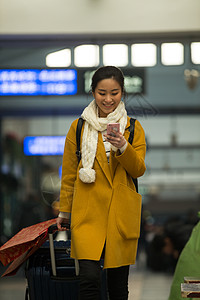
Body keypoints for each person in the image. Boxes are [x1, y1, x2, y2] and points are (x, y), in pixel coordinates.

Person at [57, 66, 146, 300]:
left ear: (122, 93)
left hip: (120, 213)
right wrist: (65, 210)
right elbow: (68, 174)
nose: (108, 99)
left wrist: (123, 146)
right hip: (87, 213)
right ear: (93, 92)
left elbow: (138, 169)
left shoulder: (133, 128)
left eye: (114, 93)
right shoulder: (78, 128)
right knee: (89, 279)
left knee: (117, 285)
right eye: (101, 92)